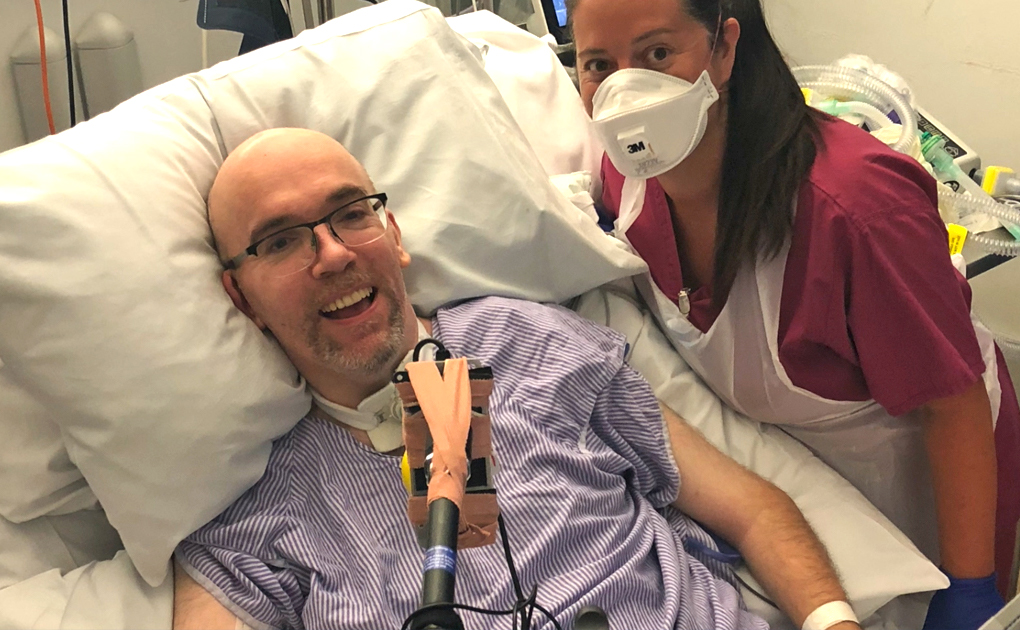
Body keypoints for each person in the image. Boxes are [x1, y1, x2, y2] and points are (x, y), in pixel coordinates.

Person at [171, 128, 862, 630]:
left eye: (353, 214)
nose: (333, 254)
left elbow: (753, 509)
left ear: (395, 234)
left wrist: (834, 624)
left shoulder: (531, 342)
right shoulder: (257, 515)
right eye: (280, 240)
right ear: (241, 299)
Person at [568, 0, 1018, 627]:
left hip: (922, 466)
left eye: (657, 55)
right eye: (597, 65)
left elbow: (953, 403)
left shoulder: (855, 213)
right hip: (803, 474)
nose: (625, 93)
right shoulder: (628, 180)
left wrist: (970, 586)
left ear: (724, 49)